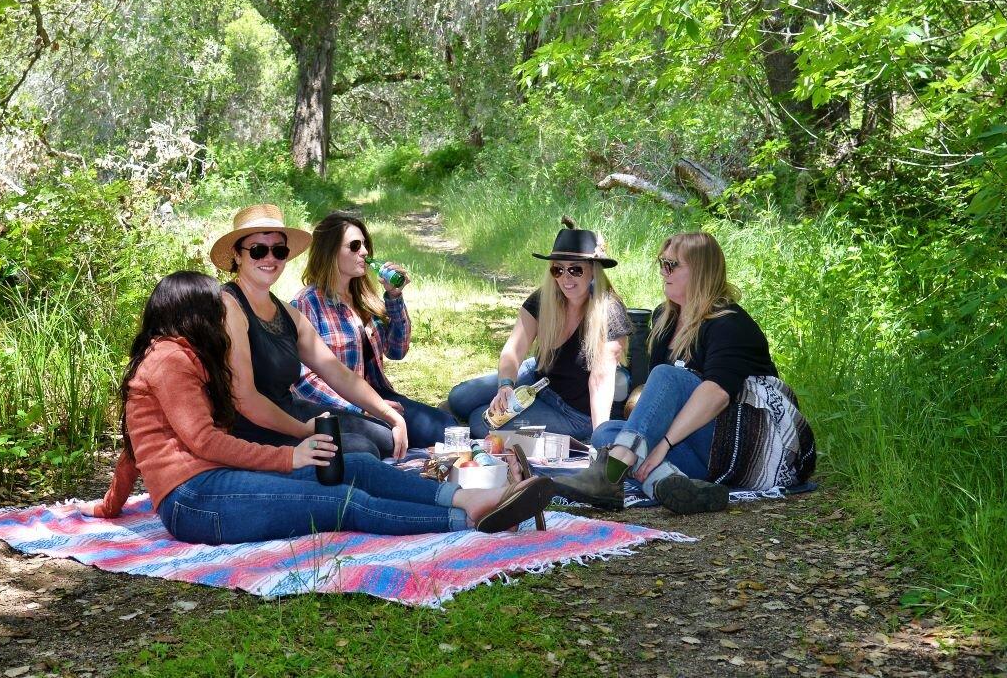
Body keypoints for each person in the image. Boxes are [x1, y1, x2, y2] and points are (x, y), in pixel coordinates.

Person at [87, 271, 557, 540]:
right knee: (338, 501)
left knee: (355, 466)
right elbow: (203, 440)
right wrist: (288, 456)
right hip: (195, 500)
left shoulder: (181, 357)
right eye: (213, 312)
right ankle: (465, 518)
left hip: (214, 482)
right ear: (190, 316)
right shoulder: (170, 359)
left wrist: (110, 506)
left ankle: (468, 496)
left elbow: (136, 444)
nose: (221, 318)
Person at [551, 231, 816, 515]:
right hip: (704, 447)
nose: (663, 272)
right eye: (662, 263)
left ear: (701, 271)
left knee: (665, 381)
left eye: (672, 265)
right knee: (606, 433)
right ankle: (672, 484)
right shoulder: (665, 322)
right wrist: (656, 441)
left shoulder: (730, 323)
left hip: (756, 444)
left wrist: (664, 442)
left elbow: (716, 394)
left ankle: (610, 475)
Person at [209, 203, 410, 460]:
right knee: (361, 451)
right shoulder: (230, 306)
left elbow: (338, 374)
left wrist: (388, 414)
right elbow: (244, 399)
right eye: (258, 250)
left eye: (279, 251)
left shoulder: (287, 312)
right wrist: (304, 430)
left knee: (382, 436)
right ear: (238, 255)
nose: (270, 259)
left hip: (290, 410)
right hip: (250, 427)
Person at [446, 218, 631, 441]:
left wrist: (600, 439)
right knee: (459, 398)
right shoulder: (544, 299)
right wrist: (505, 386)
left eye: (575, 270)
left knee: (480, 421)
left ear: (593, 271)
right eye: (558, 270)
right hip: (538, 379)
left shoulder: (609, 311)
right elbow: (514, 349)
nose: (566, 278)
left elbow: (600, 381)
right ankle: (461, 421)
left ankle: (463, 427)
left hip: (572, 413)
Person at [293, 212, 454, 453]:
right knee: (385, 442)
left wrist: (394, 297)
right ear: (330, 252)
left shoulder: (364, 297)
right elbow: (305, 382)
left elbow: (398, 351)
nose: (365, 252)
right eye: (355, 246)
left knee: (446, 428)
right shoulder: (307, 303)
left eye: (365, 244)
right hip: (337, 404)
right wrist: (361, 409)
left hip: (378, 395)